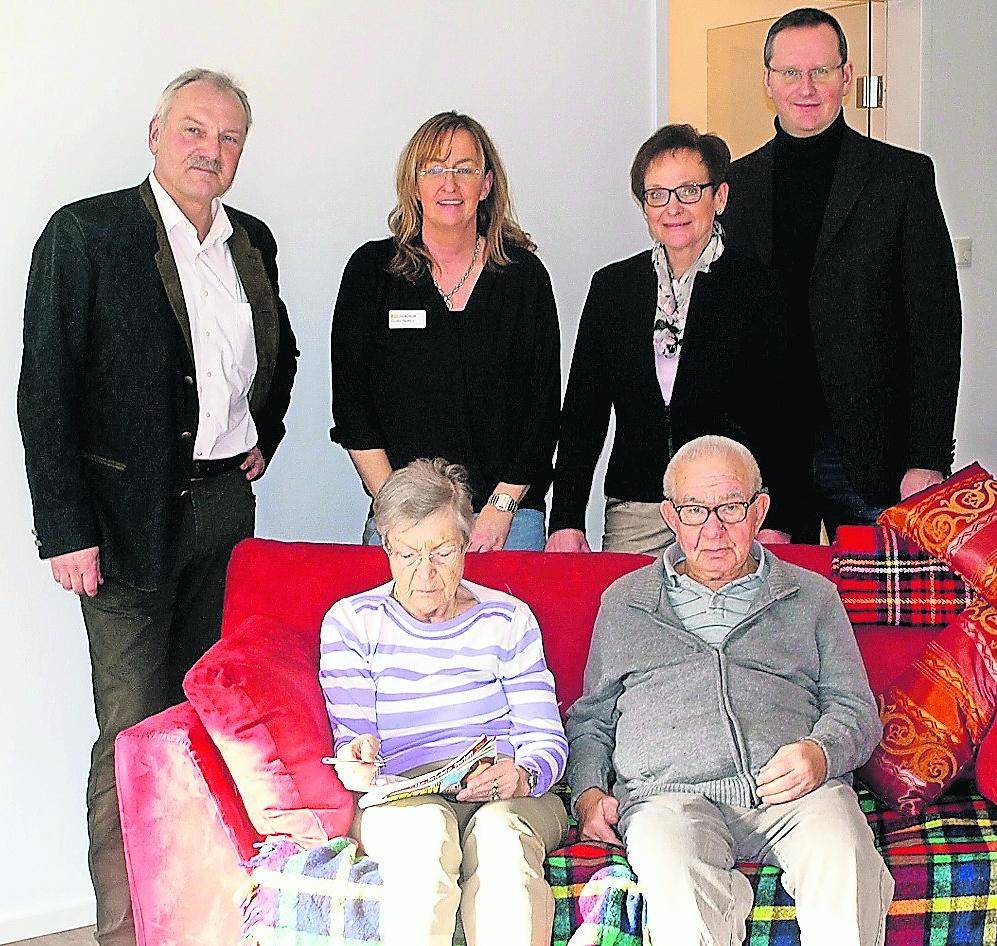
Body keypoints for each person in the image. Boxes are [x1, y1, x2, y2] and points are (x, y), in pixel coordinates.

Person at [17, 68, 298, 946]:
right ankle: (127, 929)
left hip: (223, 512)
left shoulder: (250, 239)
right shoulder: (87, 234)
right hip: (124, 526)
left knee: (213, 720)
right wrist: (66, 531)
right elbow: (44, 392)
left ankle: (201, 916)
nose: (210, 151)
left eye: (228, 139)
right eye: (194, 131)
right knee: (133, 732)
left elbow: (272, 349)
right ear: (155, 133)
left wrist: (263, 432)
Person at [565, 435, 891, 946]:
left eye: (731, 509)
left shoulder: (812, 596)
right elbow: (591, 719)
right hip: (666, 798)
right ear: (671, 516)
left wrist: (820, 754)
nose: (713, 530)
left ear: (759, 510)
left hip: (795, 795)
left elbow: (854, 706)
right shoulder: (625, 602)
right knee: (678, 891)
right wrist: (587, 794)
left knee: (847, 862)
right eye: (695, 510)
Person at [720, 7, 962, 542]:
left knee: (885, 617)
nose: (806, 88)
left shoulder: (902, 179)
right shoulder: (738, 186)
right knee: (780, 620)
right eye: (790, 73)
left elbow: (937, 329)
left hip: (875, 456)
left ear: (847, 77)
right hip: (770, 457)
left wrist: (927, 456)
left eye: (821, 71)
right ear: (768, 82)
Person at [320, 459, 569, 946]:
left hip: (507, 789)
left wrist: (523, 774)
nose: (427, 574)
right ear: (387, 546)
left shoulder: (508, 619)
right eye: (410, 554)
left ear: (467, 544)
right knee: (428, 832)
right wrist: (358, 760)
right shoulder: (353, 623)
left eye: (442, 552)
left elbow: (547, 740)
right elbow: (353, 757)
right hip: (405, 795)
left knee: (502, 840)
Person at [546, 124, 795, 555]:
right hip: (638, 508)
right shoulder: (613, 288)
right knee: (634, 618)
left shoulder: (758, 287)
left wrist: (781, 518)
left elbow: (785, 414)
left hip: (732, 507)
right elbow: (584, 413)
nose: (673, 208)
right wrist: (566, 519)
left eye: (689, 191)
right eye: (657, 194)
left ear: (719, 197)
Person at [330, 111, 560, 552]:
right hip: (401, 517)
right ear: (413, 183)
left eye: (464, 169)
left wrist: (500, 507)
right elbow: (352, 408)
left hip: (509, 522)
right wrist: (397, 506)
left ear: (487, 183)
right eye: (434, 169)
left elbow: (542, 409)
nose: (449, 184)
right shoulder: (371, 272)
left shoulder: (523, 277)